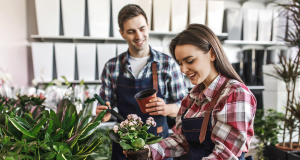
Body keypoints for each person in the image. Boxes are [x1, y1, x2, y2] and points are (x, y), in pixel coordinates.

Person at [141, 24, 257, 160]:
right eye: (180, 63)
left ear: (212, 54)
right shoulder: (191, 98)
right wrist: (148, 151)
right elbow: (181, 141)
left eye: (189, 60)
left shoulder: (235, 94)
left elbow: (224, 155)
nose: (183, 70)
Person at [95, 4, 188, 160]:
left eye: (142, 28)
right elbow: (106, 107)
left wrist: (165, 108)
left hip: (159, 146)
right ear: (122, 33)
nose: (138, 36)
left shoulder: (168, 64)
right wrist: (103, 113)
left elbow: (186, 108)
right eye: (131, 31)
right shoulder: (112, 67)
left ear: (148, 27)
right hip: (124, 147)